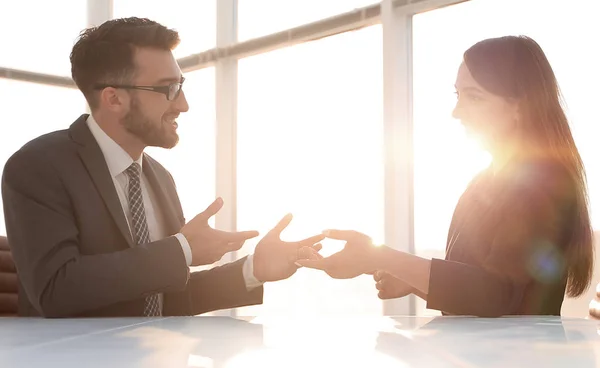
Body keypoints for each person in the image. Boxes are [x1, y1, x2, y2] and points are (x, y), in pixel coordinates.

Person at [1, 17, 322, 318]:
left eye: (180, 86)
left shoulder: (159, 178)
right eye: (168, 89)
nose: (182, 104)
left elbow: (166, 298)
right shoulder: (38, 167)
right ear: (113, 99)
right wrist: (182, 249)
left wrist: (253, 270)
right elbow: (56, 290)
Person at [299, 35, 594, 317]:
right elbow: (479, 294)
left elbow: (496, 295)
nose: (457, 112)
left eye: (474, 97)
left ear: (519, 105)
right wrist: (414, 280)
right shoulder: (483, 182)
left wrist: (381, 256)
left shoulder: (544, 183)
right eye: (458, 95)